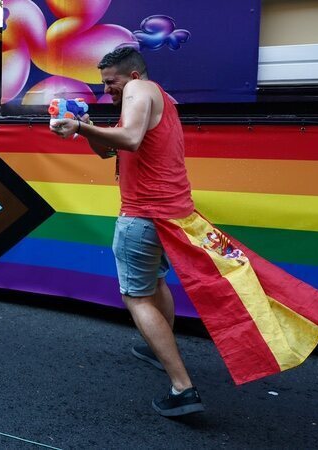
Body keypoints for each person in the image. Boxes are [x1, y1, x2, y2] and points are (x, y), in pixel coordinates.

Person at [50, 47, 204, 417]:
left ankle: (183, 389)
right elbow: (110, 152)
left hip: (143, 215)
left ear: (133, 76)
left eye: (111, 82)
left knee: (136, 297)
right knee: (157, 282)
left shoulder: (140, 90)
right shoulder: (159, 98)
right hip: (171, 212)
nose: (108, 91)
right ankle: (158, 345)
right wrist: (82, 125)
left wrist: (81, 126)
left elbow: (131, 138)